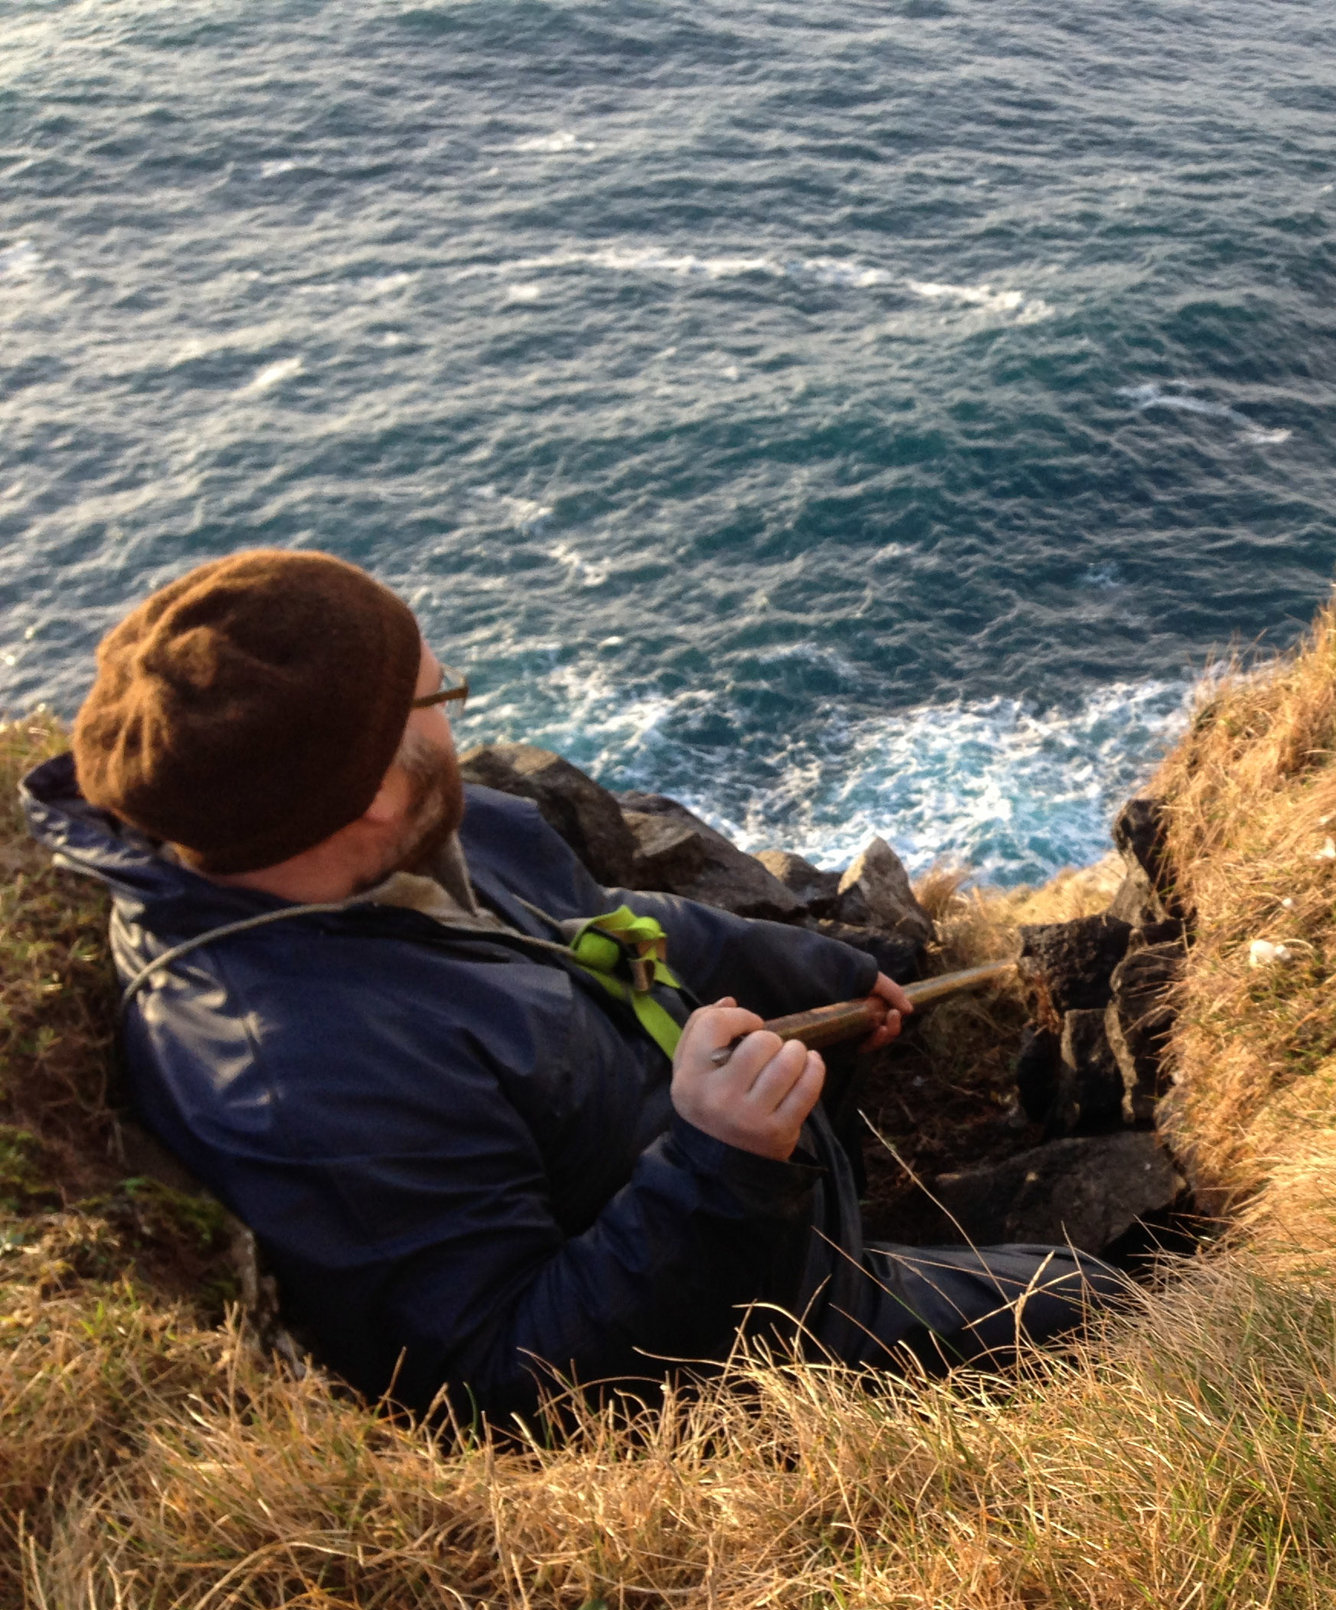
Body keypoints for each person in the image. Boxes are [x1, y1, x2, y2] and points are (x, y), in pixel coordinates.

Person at [22, 549, 1117, 1421]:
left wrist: (830, 971)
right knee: (1103, 1310)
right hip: (740, 1344)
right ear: (362, 796)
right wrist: (720, 1169)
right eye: (434, 695)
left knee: (1065, 1261)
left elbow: (613, 932)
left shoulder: (430, 833)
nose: (455, 716)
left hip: (756, 1217)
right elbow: (498, 1382)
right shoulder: (299, 1080)